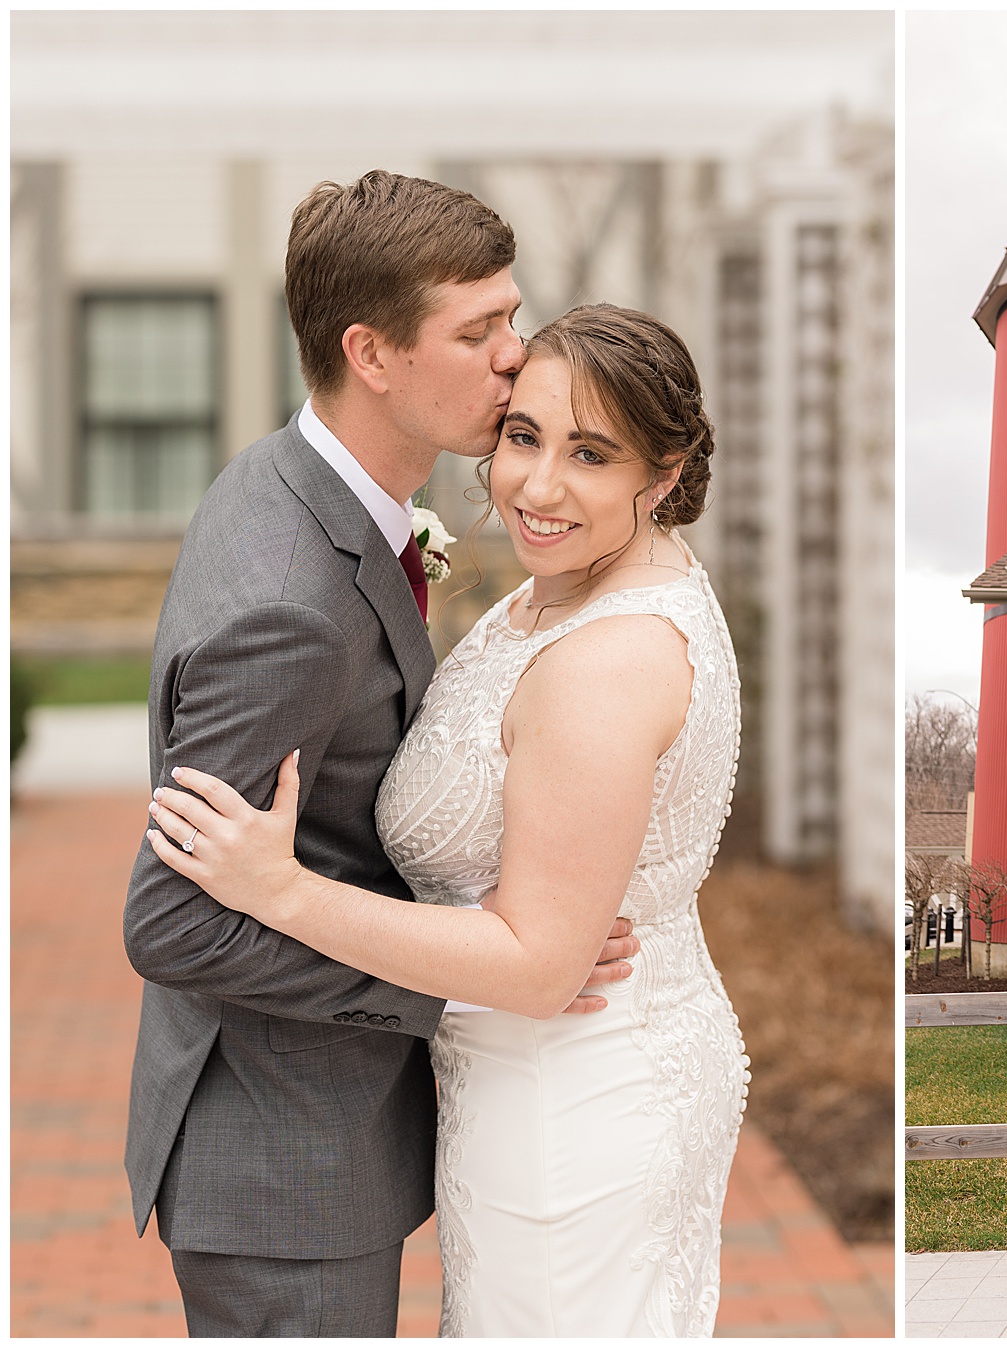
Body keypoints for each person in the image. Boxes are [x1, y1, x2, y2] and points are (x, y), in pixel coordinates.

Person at [149, 301, 748, 1336]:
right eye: (524, 437)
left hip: (574, 1102)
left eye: (591, 455)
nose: (537, 485)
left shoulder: (606, 663)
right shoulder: (567, 590)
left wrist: (282, 890)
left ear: (663, 476)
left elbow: (535, 966)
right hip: (529, 1082)